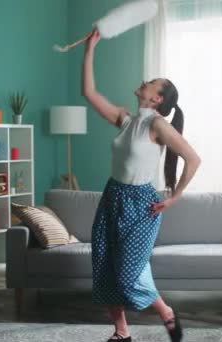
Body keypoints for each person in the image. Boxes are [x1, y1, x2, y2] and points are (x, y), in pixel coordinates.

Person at [82, 29, 201, 342]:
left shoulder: (156, 125)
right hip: (112, 197)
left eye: (153, 82)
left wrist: (174, 198)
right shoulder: (126, 119)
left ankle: (166, 312)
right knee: (105, 267)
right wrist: (90, 49)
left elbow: (193, 159)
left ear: (157, 98)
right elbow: (90, 93)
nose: (146, 81)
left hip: (142, 205)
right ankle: (122, 333)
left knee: (128, 272)